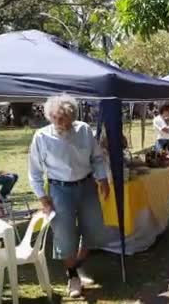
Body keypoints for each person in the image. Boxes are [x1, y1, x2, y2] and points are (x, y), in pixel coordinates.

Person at [29, 94, 109, 298]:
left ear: (73, 116)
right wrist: (42, 197)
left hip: (86, 186)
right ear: (50, 116)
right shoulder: (41, 136)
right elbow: (35, 170)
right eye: (55, 118)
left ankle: (77, 265)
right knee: (64, 235)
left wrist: (103, 179)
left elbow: (97, 158)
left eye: (64, 118)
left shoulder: (83, 130)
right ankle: (73, 276)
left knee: (95, 230)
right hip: (59, 189)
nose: (60, 122)